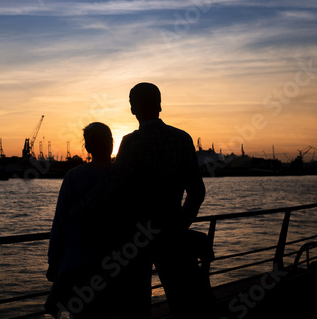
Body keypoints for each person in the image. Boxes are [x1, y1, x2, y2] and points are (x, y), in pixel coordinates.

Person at [71, 82, 215, 318]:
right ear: (159, 105)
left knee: (136, 305)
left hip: (137, 239)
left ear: (133, 109)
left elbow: (111, 186)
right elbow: (197, 192)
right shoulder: (183, 139)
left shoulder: (131, 142)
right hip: (173, 234)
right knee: (186, 302)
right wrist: (180, 224)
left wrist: (78, 209)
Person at [45, 122, 119, 319]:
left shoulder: (74, 177)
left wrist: (53, 262)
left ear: (87, 147)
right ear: (112, 144)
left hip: (78, 266)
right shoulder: (123, 176)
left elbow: (59, 223)